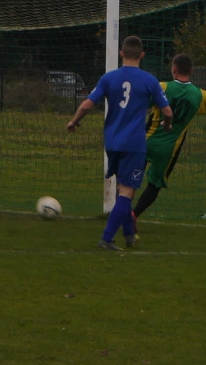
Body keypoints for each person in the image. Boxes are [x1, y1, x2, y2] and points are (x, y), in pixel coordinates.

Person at [67, 35, 172, 250]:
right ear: (142, 55)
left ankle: (129, 234)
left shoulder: (108, 78)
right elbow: (167, 111)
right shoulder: (149, 80)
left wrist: (73, 121)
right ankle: (106, 239)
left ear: (122, 53)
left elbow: (87, 105)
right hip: (134, 144)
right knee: (127, 191)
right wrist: (167, 123)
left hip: (112, 142)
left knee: (123, 188)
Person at [133, 52, 206, 219]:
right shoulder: (200, 95)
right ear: (192, 71)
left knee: (131, 178)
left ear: (174, 69)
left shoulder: (162, 87)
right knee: (155, 184)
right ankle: (133, 214)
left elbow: (141, 103)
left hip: (146, 141)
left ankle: (121, 210)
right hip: (168, 149)